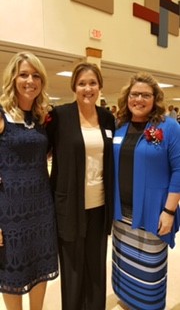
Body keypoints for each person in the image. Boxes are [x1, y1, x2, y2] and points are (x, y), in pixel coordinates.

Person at [46, 62, 115, 310]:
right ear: (74, 87)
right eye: (82, 83)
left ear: (100, 87)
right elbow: (38, 150)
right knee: (73, 269)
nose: (88, 88)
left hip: (100, 204)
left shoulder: (107, 118)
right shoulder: (60, 116)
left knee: (96, 266)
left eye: (93, 83)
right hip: (70, 205)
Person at [112, 72, 180, 310]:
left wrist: (169, 212)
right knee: (125, 265)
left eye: (145, 95)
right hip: (122, 214)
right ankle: (128, 302)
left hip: (153, 213)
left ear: (155, 98)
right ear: (127, 97)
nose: (139, 99)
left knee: (149, 270)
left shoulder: (168, 127)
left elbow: (179, 170)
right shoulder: (120, 127)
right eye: (134, 94)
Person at [0, 51, 59, 310]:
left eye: (36, 75)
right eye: (23, 74)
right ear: (13, 78)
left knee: (40, 268)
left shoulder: (40, 118)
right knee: (11, 275)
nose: (30, 81)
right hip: (9, 211)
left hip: (41, 208)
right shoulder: (2, 114)